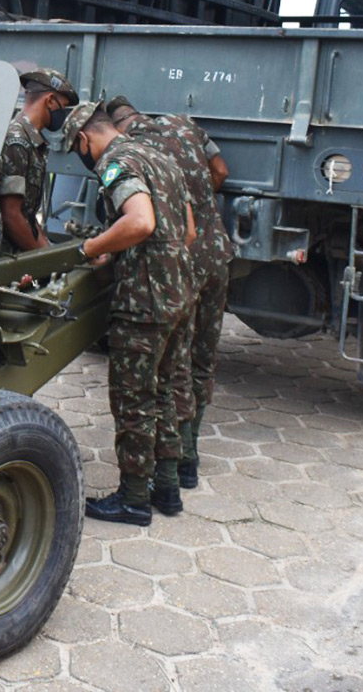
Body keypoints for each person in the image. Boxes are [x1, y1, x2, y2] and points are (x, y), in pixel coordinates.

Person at [61, 101, 195, 526]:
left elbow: (140, 222)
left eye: (77, 149)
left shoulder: (117, 163)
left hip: (145, 301)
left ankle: (134, 498)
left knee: (133, 397)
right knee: (165, 390)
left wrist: (91, 248)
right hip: (179, 293)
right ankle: (167, 487)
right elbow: (187, 231)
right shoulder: (160, 158)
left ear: (84, 139)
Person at [106, 96, 232, 490]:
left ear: (119, 127)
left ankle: (174, 468)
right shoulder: (185, 124)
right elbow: (221, 171)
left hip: (180, 265)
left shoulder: (137, 151)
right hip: (217, 253)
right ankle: (189, 461)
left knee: (173, 369)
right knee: (202, 362)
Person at [0, 70, 79, 252]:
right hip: (2, 256)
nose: (63, 116)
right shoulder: (17, 141)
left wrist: (49, 254)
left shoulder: (32, 141)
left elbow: (27, 215)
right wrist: (42, 260)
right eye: (62, 108)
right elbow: (11, 215)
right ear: (49, 101)